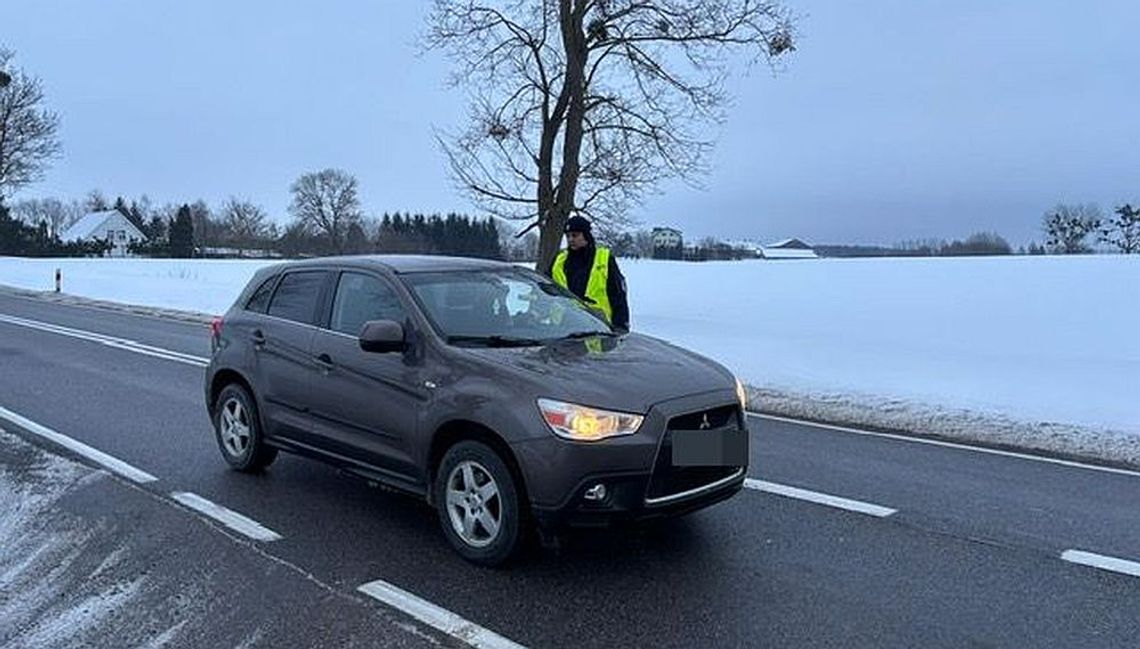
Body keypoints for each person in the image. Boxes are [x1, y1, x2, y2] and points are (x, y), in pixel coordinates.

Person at [550, 215, 630, 332]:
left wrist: (621, 326)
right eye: (568, 236)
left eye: (575, 235)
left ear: (586, 236)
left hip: (597, 327)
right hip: (562, 327)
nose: (570, 239)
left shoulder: (604, 259)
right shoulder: (559, 261)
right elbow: (547, 291)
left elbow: (618, 296)